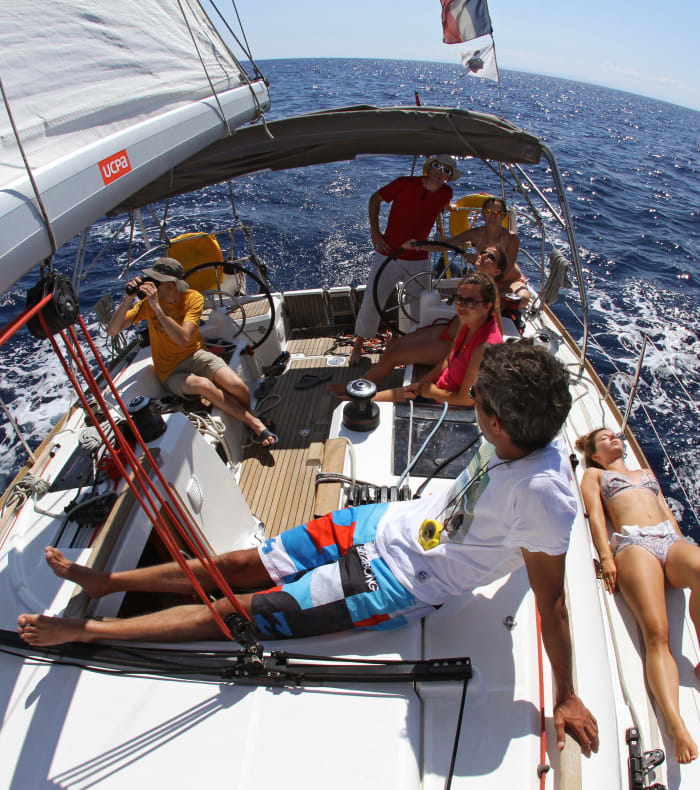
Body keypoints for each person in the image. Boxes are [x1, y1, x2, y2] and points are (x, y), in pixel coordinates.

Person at [18, 340, 598, 757]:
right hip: (382, 522)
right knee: (240, 564)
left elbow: (554, 602)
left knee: (236, 614)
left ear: (496, 422)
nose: (471, 400)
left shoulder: (545, 495)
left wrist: (567, 696)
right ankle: (108, 584)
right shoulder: (513, 438)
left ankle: (88, 634)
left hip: (396, 581)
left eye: (478, 401)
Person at [576, 428, 700, 764]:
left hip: (668, 541)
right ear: (595, 453)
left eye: (615, 434)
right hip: (634, 545)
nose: (615, 437)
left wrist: (682, 546)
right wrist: (605, 555)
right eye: (605, 438)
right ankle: (676, 726)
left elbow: (668, 514)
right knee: (657, 634)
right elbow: (596, 517)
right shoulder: (594, 474)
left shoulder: (645, 473)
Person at [107, 257, 276, 447]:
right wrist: (128, 299)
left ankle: (248, 418)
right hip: (170, 371)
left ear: (170, 284)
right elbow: (112, 330)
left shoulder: (192, 298)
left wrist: (157, 309)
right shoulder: (148, 305)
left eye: (155, 281)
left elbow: (183, 339)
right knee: (205, 386)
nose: (150, 285)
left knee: (239, 387)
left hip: (195, 354)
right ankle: (254, 423)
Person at [349, 155, 459, 365]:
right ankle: (358, 345)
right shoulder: (403, 183)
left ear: (449, 176)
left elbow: (442, 203)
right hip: (388, 253)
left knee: (420, 305)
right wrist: (375, 232)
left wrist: (450, 208)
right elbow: (375, 199)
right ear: (428, 168)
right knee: (373, 300)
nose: (440, 171)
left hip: (420, 257)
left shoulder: (447, 193)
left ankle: (406, 345)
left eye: (446, 170)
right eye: (436, 166)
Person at [369, 271, 502, 405]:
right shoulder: (466, 323)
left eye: (470, 301)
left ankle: (357, 399)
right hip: (439, 391)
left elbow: (467, 400)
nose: (461, 305)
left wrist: (432, 392)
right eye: (458, 298)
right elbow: (448, 360)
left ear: (487, 306)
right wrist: (423, 383)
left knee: (379, 409)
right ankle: (355, 397)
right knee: (379, 398)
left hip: (453, 408)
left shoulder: (484, 348)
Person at [445, 196, 528, 308]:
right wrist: (419, 245)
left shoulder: (511, 238)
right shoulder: (475, 234)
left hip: (510, 280)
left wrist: (476, 261)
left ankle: (501, 305)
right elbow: (447, 244)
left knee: (522, 299)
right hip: (487, 279)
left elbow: (504, 272)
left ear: (503, 215)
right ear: (483, 214)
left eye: (498, 213)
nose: (493, 216)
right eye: (488, 212)